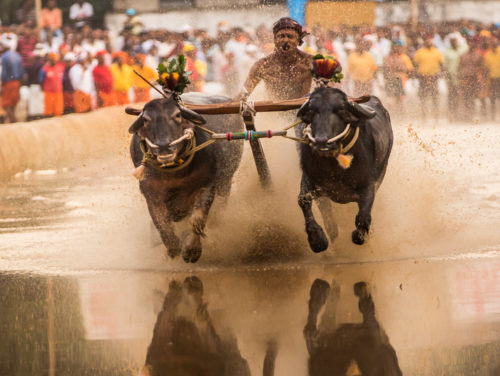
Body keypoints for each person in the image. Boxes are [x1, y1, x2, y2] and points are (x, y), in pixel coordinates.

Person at [236, 17, 312, 101]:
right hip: (276, 111)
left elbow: (328, 85)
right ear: (275, 40)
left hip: (302, 111)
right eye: (281, 36)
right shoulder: (262, 65)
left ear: (298, 41)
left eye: (290, 36)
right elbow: (244, 94)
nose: (285, 40)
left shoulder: (309, 62)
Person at [413, 36, 444, 121]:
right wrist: (415, 77)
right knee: (423, 99)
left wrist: (443, 75)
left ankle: (436, 117)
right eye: (427, 41)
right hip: (422, 78)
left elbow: (441, 64)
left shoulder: (437, 52)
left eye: (430, 41)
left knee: (435, 99)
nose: (429, 43)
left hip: (434, 78)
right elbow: (415, 65)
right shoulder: (419, 52)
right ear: (424, 42)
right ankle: (424, 117)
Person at [0, 36, 25, 123]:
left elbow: (4, 74)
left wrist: (2, 86)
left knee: (6, 105)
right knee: (12, 104)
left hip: (8, 83)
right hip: (17, 82)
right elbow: (22, 73)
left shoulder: (5, 57)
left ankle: (16, 122)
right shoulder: (17, 55)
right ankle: (12, 123)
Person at [443, 35, 468, 121]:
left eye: (455, 40)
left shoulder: (464, 48)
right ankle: (453, 116)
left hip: (464, 77)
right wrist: (447, 78)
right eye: (452, 40)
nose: (453, 42)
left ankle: (464, 116)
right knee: (452, 97)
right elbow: (445, 67)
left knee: (464, 97)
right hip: (452, 78)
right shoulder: (447, 52)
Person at [39, 52, 65, 117]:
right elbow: (40, 81)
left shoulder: (60, 68)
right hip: (49, 93)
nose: (54, 61)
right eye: (52, 59)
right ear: (49, 60)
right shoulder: (44, 69)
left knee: (58, 111)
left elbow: (63, 80)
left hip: (58, 93)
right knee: (49, 112)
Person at [484, 36, 500, 120]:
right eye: (492, 42)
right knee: (493, 98)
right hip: (492, 79)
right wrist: (486, 80)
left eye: (495, 42)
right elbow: (486, 69)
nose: (494, 44)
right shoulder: (487, 54)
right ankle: (493, 116)